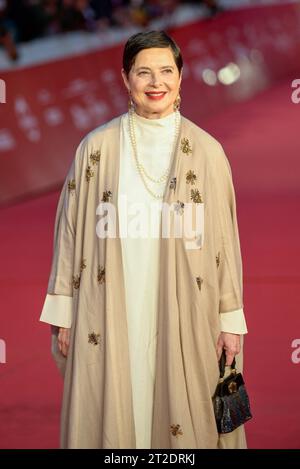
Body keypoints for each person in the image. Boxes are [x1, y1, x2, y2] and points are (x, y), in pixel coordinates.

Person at [40, 30, 248, 449]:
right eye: (144, 73)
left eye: (166, 71)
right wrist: (64, 308)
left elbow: (225, 241)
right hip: (111, 302)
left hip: (187, 304)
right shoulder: (97, 149)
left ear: (181, 77)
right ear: (125, 79)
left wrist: (230, 318)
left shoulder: (207, 151)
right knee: (116, 407)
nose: (156, 83)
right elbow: (70, 230)